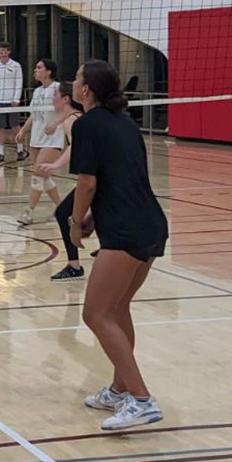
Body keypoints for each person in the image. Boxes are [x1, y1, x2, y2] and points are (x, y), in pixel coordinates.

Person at [68, 59, 168, 431]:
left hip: (126, 231)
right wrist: (98, 217)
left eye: (77, 78)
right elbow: (122, 177)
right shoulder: (125, 123)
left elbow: (87, 183)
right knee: (118, 306)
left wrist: (77, 223)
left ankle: (141, 399)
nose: (73, 82)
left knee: (94, 314)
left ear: (87, 90)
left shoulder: (88, 125)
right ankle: (119, 389)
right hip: (151, 223)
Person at [41, 83, 86, 281]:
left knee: (62, 213)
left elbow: (76, 144)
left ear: (66, 99)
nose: (53, 99)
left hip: (95, 178)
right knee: (101, 214)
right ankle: (105, 249)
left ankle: (74, 266)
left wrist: (57, 163)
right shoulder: (72, 118)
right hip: (101, 177)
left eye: (56, 95)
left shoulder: (73, 121)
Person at [15, 59, 62, 225]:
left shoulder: (57, 88)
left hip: (52, 139)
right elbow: (34, 116)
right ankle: (62, 209)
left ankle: (29, 212)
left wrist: (56, 124)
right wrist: (23, 130)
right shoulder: (36, 92)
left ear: (48, 71)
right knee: (43, 175)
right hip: (36, 138)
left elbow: (66, 111)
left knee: (37, 174)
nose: (35, 70)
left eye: (39, 67)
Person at [0, 41, 27, 163]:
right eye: (0, 50)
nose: (1, 52)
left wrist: (16, 99)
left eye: (4, 50)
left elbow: (19, 83)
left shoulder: (16, 66)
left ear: (9, 51)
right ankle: (0, 152)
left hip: (11, 100)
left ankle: (20, 150)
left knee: (15, 126)